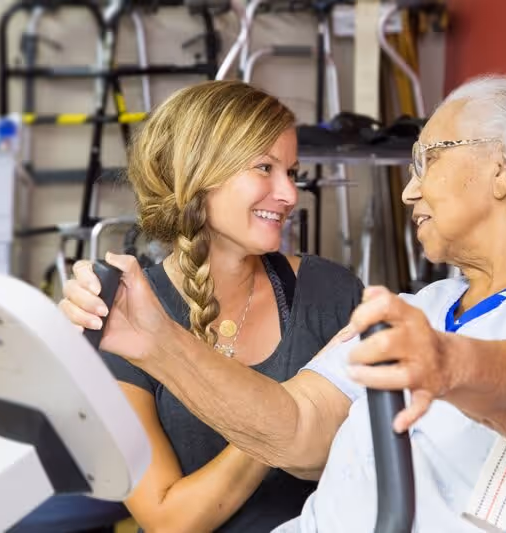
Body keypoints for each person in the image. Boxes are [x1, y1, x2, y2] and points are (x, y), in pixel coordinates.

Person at [62, 75, 506, 531]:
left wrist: (448, 365)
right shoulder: (417, 307)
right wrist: (156, 343)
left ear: (501, 166)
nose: (408, 189)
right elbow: (295, 430)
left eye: (428, 158)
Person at [60, 80, 364, 532]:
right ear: (199, 175)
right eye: (265, 167)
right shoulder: (125, 318)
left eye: (292, 173)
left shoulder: (329, 294)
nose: (289, 194)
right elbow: (168, 521)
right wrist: (292, 408)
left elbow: (368, 469)